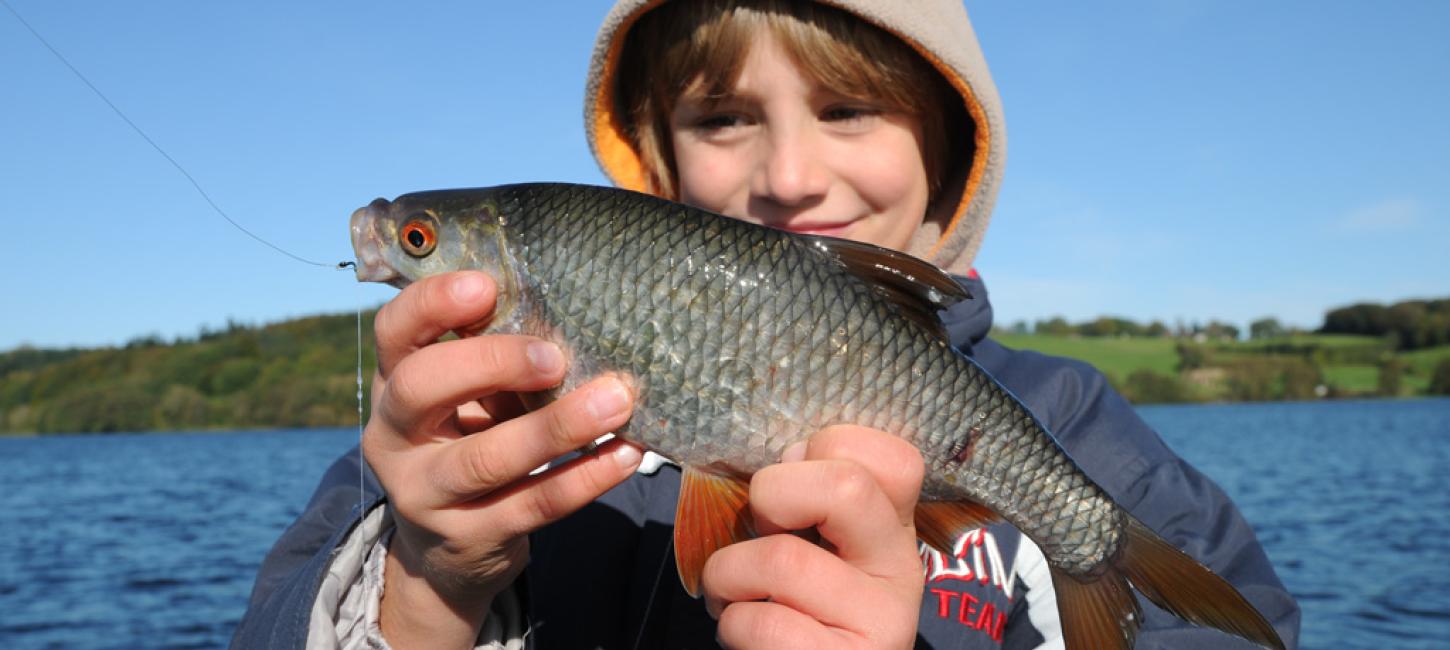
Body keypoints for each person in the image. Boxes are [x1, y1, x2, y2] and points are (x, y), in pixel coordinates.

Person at [232, 1, 1301, 648]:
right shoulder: (460, 438)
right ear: (654, 161)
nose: (790, 177)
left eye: (847, 109)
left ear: (948, 153)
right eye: (724, 118)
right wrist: (427, 583)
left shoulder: (1081, 423)